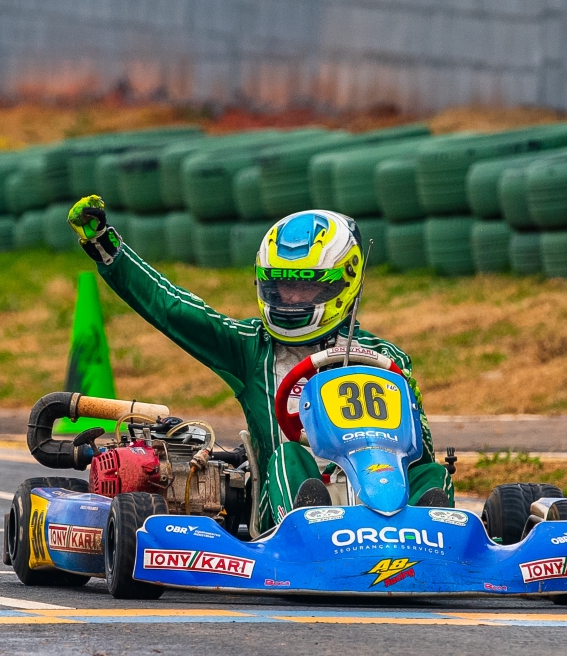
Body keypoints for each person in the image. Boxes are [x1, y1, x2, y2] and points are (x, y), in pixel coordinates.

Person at [67, 195, 453, 532]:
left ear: (343, 282)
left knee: (430, 474)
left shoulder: (388, 360)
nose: (290, 297)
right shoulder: (251, 349)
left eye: (306, 285)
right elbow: (175, 310)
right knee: (289, 456)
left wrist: (411, 410)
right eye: (280, 285)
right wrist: (108, 249)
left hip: (380, 494)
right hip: (285, 507)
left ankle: (435, 537)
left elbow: (419, 455)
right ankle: (311, 526)